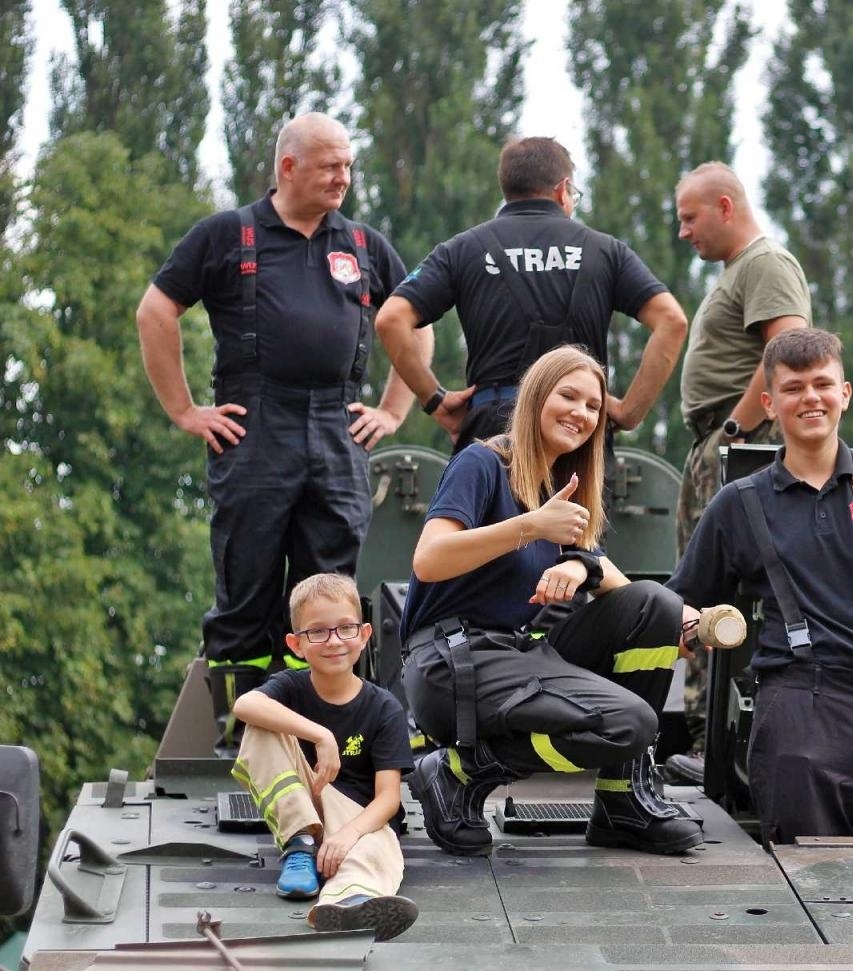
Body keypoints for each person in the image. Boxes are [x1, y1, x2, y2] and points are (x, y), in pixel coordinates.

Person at [137, 112, 432, 746]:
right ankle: (243, 732)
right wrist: (185, 411)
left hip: (337, 427)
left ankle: (315, 727)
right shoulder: (226, 235)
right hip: (253, 428)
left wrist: (394, 409)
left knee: (329, 595)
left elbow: (415, 319)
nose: (343, 178)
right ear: (289, 166)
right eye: (331, 166)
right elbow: (156, 309)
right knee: (246, 586)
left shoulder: (363, 245)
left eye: (349, 166)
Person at [400, 347, 703, 857]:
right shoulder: (482, 464)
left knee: (655, 604)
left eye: (593, 406)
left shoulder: (560, 486)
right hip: (453, 664)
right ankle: (458, 772)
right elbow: (428, 560)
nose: (580, 413)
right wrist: (530, 528)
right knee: (629, 724)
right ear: (536, 397)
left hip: (521, 654)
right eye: (569, 396)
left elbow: (604, 571)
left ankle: (622, 801)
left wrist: (681, 618)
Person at [669, 328, 853, 843]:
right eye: (794, 388)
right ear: (769, 402)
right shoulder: (740, 503)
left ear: (844, 394)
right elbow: (682, 599)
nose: (811, 397)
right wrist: (689, 624)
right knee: (811, 876)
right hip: (799, 707)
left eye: (823, 384)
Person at [376, 136, 687, 452]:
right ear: (562, 189)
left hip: (495, 431)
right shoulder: (604, 251)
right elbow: (671, 320)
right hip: (577, 435)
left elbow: (391, 319)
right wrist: (629, 413)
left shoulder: (464, 249)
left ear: (508, 189)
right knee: (574, 505)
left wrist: (435, 400)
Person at [670, 161, 811, 775]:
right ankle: (707, 737)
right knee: (700, 588)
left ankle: (717, 742)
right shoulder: (738, 272)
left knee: (718, 590)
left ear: (726, 207)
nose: (684, 233)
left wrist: (737, 430)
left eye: (690, 218)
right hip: (718, 442)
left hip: (738, 444)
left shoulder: (765, 264)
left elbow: (790, 351)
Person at [231, 573, 418, 941]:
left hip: (360, 816)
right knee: (260, 724)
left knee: (376, 848)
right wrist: (320, 734)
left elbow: (388, 798)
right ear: (296, 644)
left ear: (365, 635)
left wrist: (348, 834)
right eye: (317, 632)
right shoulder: (291, 686)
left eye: (345, 628)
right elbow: (244, 704)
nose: (334, 641)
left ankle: (351, 901)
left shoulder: (384, 708)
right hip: (304, 805)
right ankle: (299, 846)